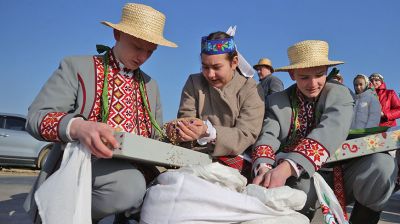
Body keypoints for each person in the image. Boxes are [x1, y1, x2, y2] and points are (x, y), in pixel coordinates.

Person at [23, 3, 177, 223]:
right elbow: (36, 117)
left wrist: (174, 134)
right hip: (85, 162)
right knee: (129, 186)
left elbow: (154, 138)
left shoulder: (151, 86)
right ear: (117, 34)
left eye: (150, 51)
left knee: (175, 190)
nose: (142, 57)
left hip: (137, 169)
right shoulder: (77, 67)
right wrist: (78, 127)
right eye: (137, 46)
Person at [251, 40, 397, 224]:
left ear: (327, 72)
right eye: (304, 77)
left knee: (382, 166)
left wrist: (287, 167)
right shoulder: (277, 101)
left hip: (344, 171)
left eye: (319, 75)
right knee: (296, 198)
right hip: (301, 176)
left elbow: (331, 129)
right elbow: (268, 135)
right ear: (292, 74)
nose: (313, 83)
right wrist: (264, 167)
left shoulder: (339, 93)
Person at [166, 31, 265, 178]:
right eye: (205, 67)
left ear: (234, 62)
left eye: (217, 67)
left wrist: (209, 132)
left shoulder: (250, 89)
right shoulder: (194, 83)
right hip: (195, 159)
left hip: (234, 163)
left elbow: (246, 134)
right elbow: (185, 119)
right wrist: (183, 130)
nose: (210, 74)